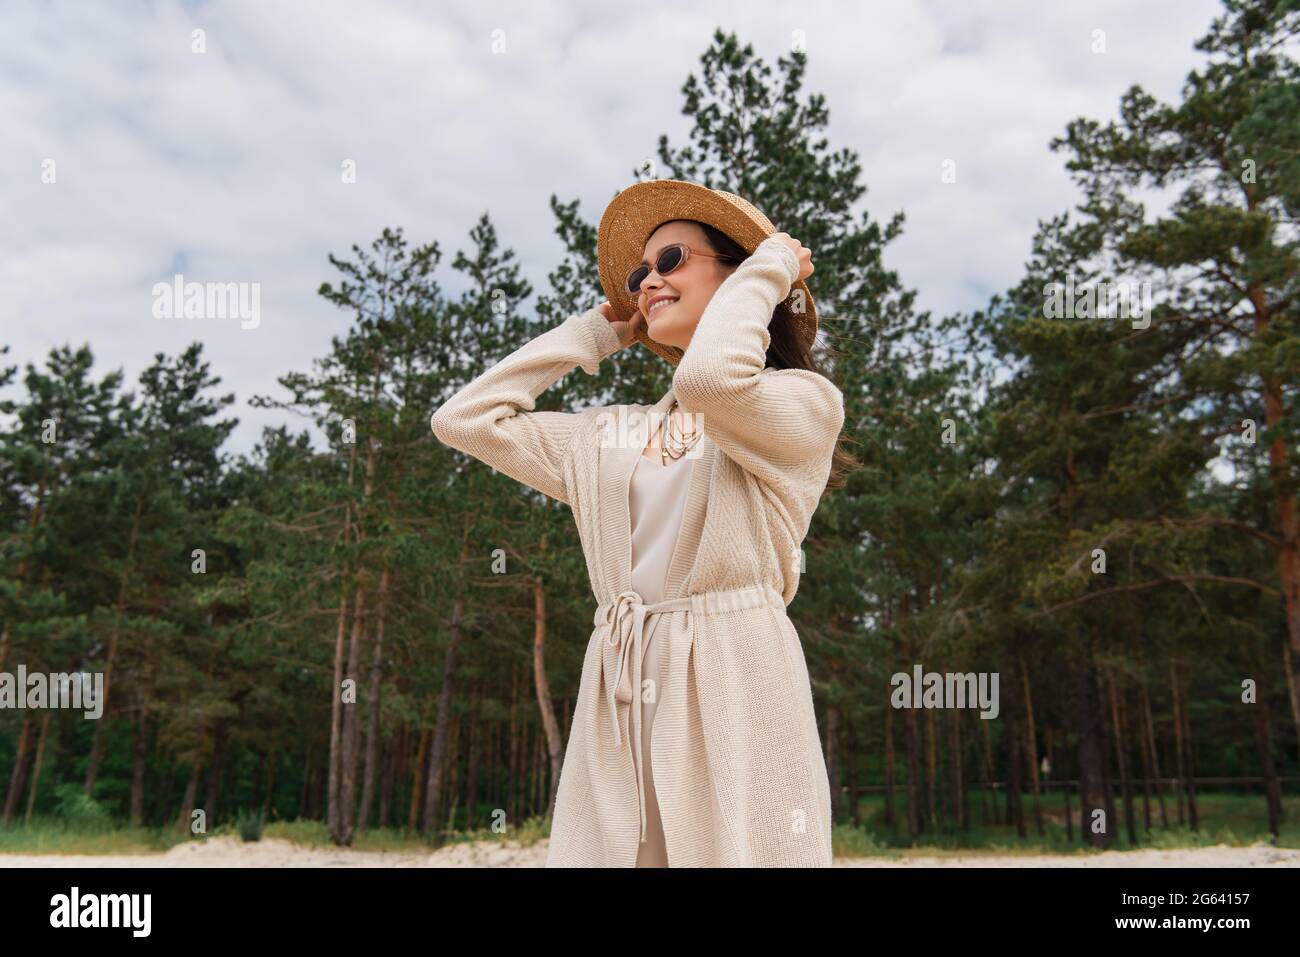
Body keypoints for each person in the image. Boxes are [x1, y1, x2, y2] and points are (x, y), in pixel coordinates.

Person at [431, 179, 851, 867]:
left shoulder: (801, 403)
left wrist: (771, 266)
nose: (648, 281)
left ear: (740, 275)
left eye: (671, 259)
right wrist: (595, 334)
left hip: (732, 668)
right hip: (621, 671)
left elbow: (712, 383)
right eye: (639, 273)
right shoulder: (610, 435)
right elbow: (463, 421)